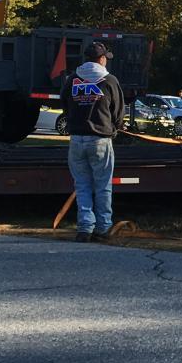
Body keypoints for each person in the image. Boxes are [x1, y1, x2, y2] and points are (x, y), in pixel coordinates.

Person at [60, 42, 125, 242]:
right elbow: (118, 110)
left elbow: (64, 104)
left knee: (82, 185)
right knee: (103, 185)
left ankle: (85, 228)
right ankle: (103, 227)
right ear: (102, 59)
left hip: (77, 140)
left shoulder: (72, 80)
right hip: (100, 139)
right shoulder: (109, 80)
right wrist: (114, 128)